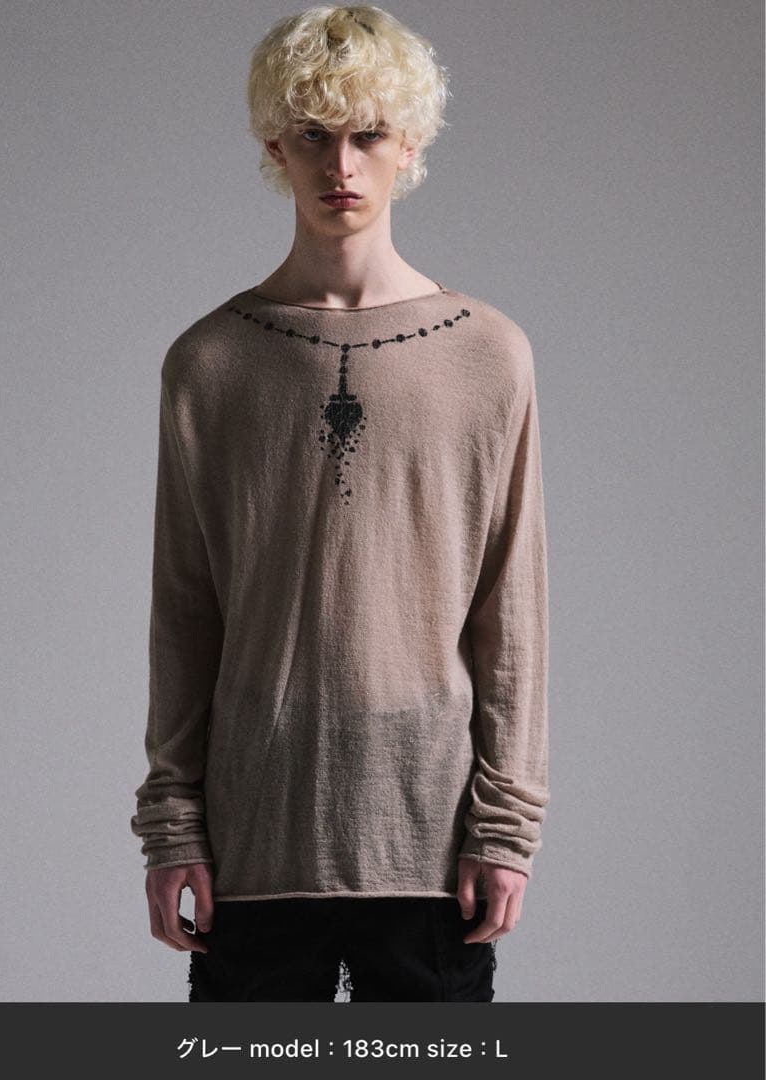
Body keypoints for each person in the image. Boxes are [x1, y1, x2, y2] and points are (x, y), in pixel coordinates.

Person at [130, 3, 550, 1003]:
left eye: (367, 134)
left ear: (410, 145)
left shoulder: (487, 354)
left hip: (429, 837)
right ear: (275, 146)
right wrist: (173, 823)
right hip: (254, 838)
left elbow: (511, 608)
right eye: (313, 135)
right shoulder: (210, 361)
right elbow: (185, 608)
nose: (341, 165)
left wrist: (506, 827)